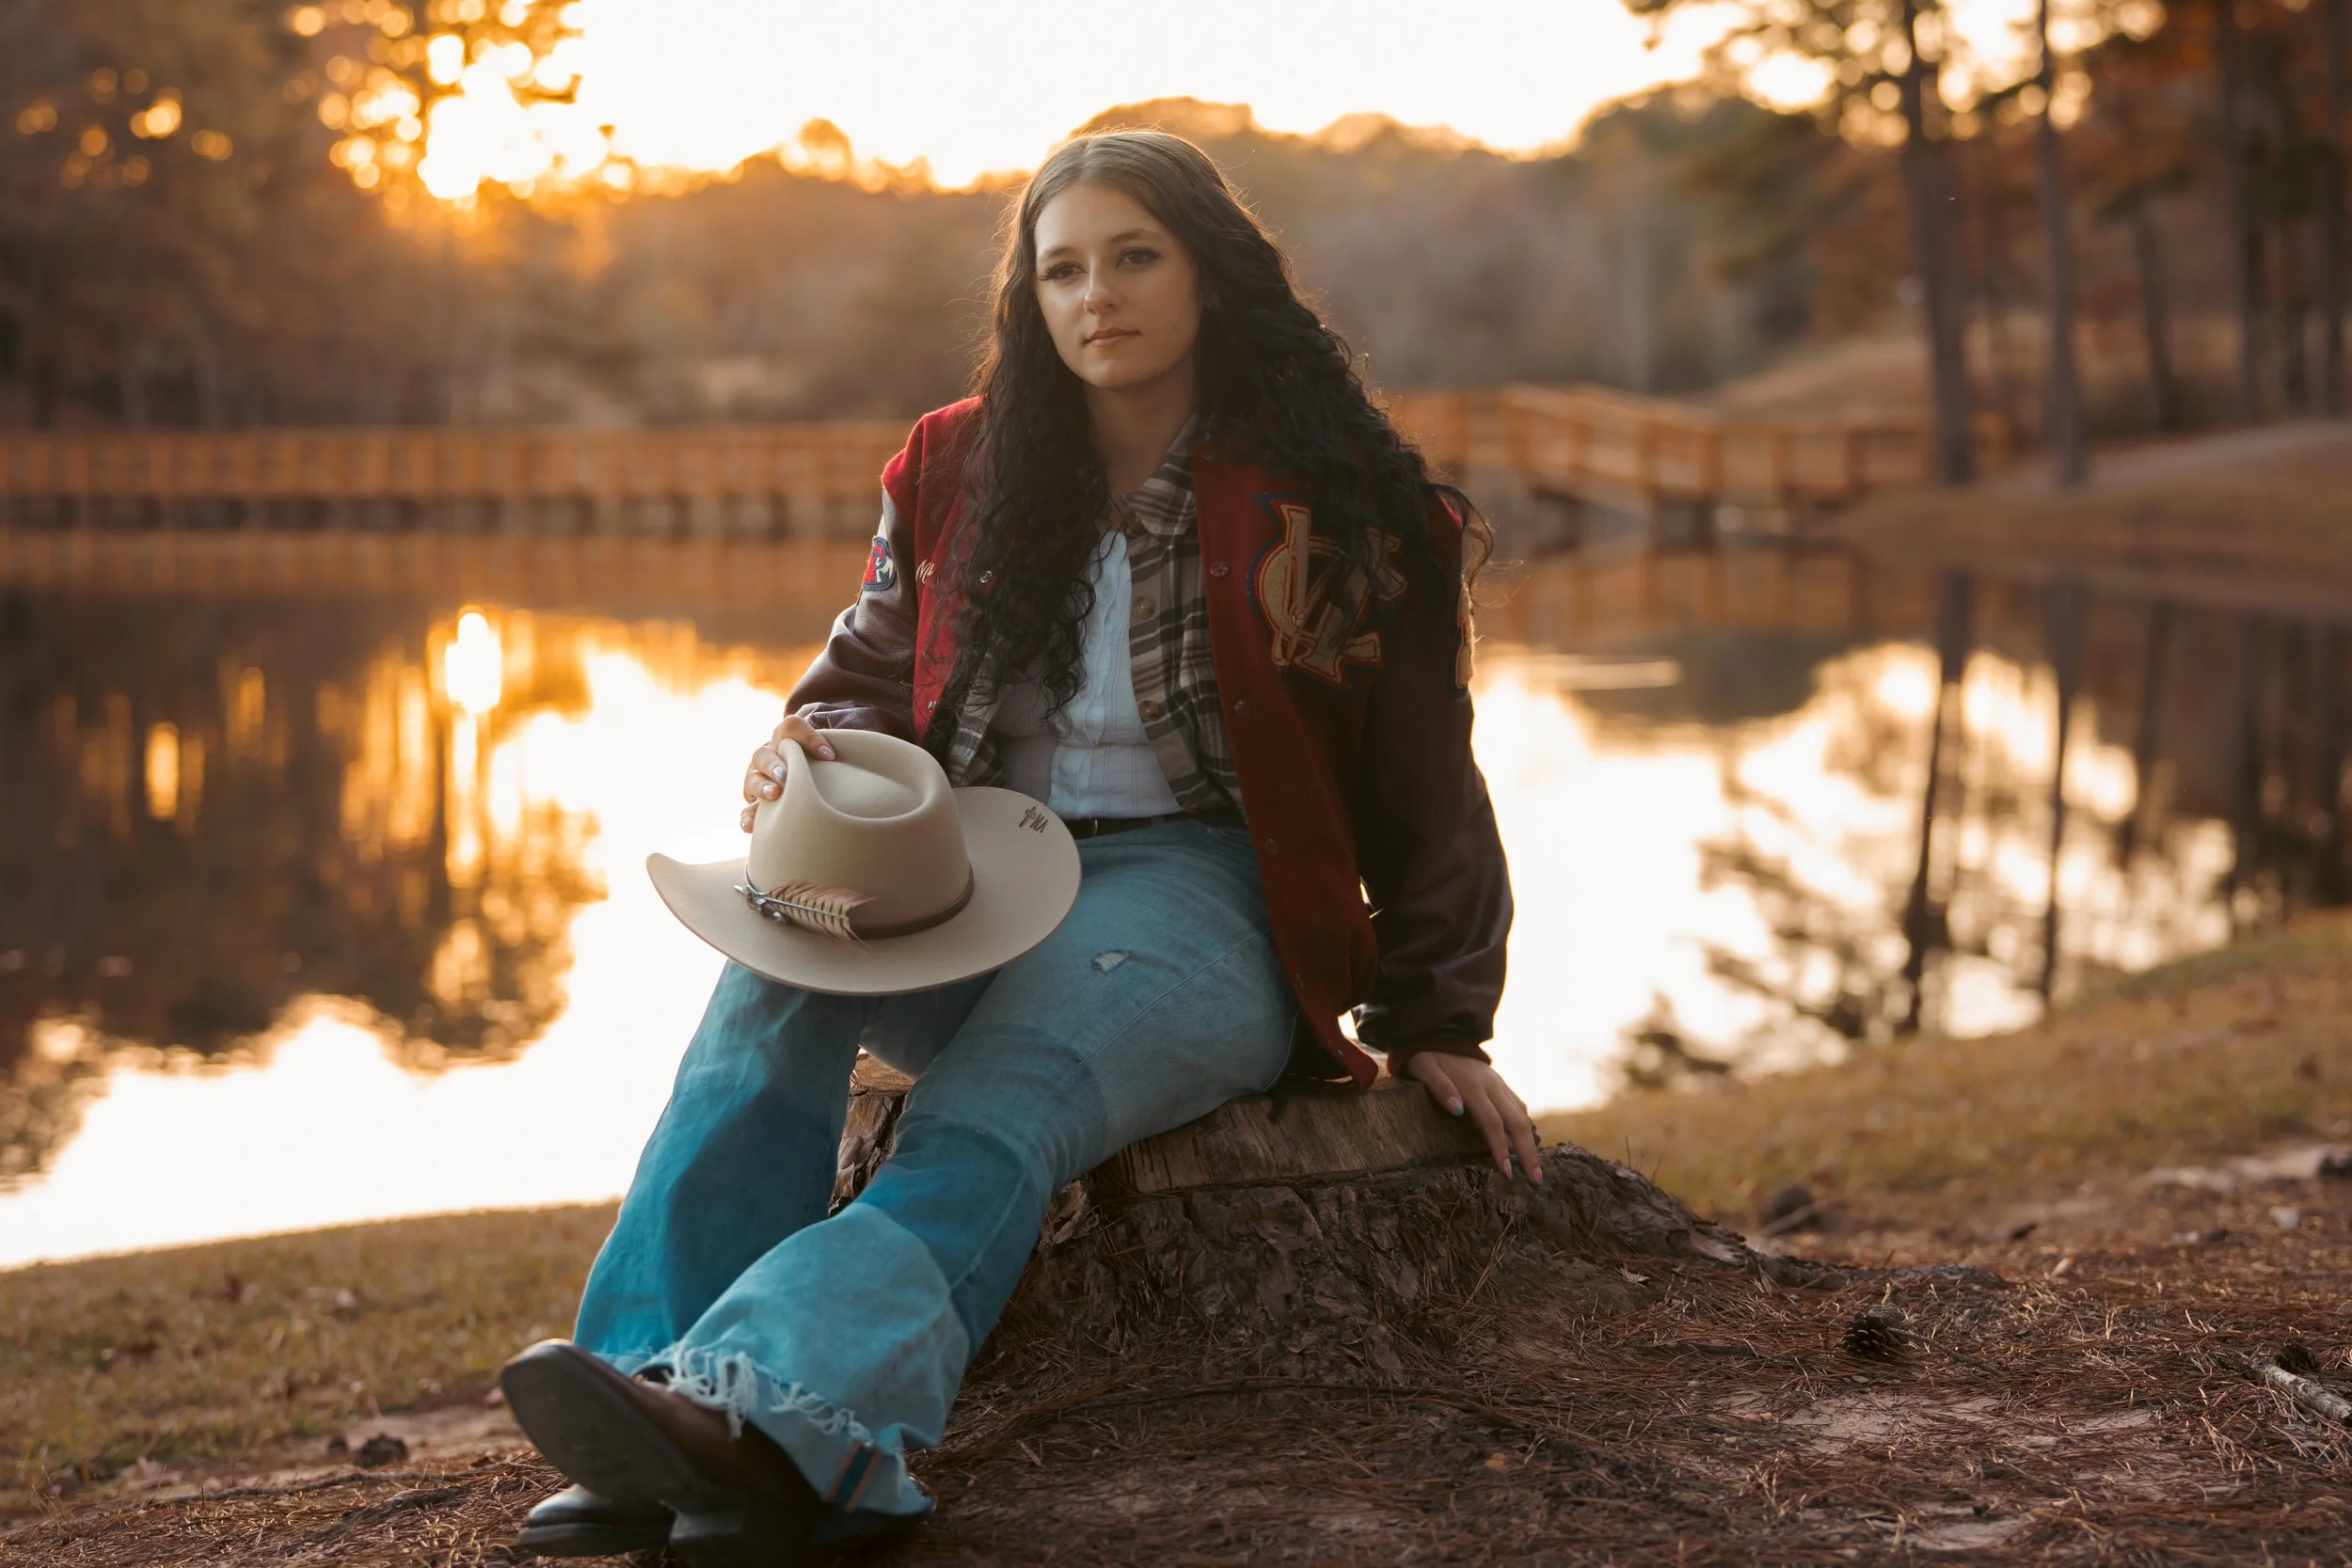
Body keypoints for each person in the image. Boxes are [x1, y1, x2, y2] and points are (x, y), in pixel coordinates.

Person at [497, 129, 1529, 1565]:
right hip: (968, 870)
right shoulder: (958, 464)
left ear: (1210, 274)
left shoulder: (1336, 494)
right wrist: (813, 742)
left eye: (1133, 257)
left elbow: (1427, 769)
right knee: (765, 987)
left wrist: (1440, 1012)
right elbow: (871, 668)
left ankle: (792, 1421)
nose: (1095, 295)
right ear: (1031, 299)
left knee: (1007, 1092)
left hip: (1207, 893)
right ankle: (652, 1394)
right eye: (1062, 270)